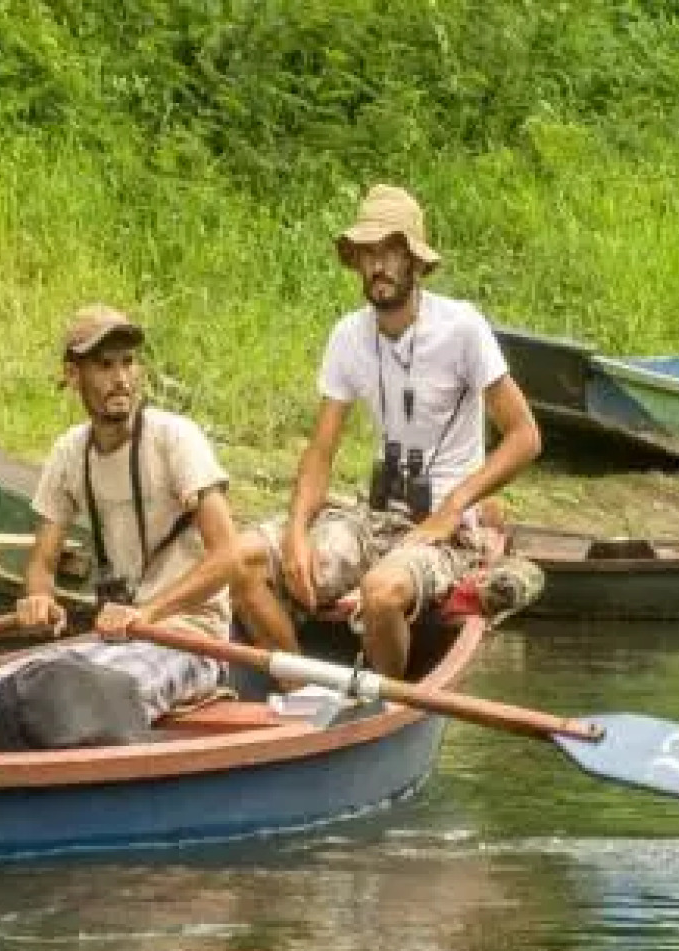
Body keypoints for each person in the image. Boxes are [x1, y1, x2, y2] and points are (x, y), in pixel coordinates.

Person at [156, 184, 541, 678]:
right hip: (372, 518)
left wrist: (452, 508)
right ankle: (298, 688)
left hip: (443, 533)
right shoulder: (349, 335)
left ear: (415, 261)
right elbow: (321, 450)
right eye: (368, 253)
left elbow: (525, 435)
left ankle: (386, 707)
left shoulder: (462, 327)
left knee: (381, 593)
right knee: (243, 561)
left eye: (391, 252)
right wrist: (296, 532)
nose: (378, 266)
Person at [0, 305, 239, 730]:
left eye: (128, 363)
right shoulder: (69, 452)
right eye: (105, 366)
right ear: (74, 376)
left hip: (187, 638)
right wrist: (38, 596)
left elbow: (228, 558)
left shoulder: (175, 438)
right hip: (112, 637)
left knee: (94, 706)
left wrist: (149, 614)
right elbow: (42, 562)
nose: (121, 379)